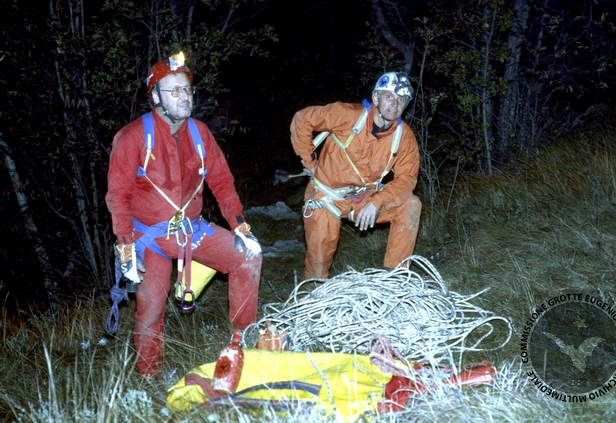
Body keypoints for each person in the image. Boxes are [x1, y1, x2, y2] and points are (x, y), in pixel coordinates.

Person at [106, 52, 262, 379]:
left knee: (248, 256)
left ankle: (241, 343)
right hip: (148, 239)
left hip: (191, 230)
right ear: (155, 97)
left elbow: (221, 181)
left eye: (187, 89)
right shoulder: (132, 137)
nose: (184, 96)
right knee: (151, 310)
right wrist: (126, 249)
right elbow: (117, 196)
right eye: (174, 90)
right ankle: (150, 375)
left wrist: (240, 225)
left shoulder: (199, 133)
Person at [290, 71, 421, 279]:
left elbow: (407, 180)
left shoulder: (404, 138)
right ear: (376, 98)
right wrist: (310, 161)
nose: (395, 104)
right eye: (389, 96)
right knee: (318, 263)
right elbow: (302, 119)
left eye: (401, 99)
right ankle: (314, 292)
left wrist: (377, 201)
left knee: (410, 205)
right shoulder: (347, 115)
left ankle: (394, 279)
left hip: (364, 199)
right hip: (327, 197)